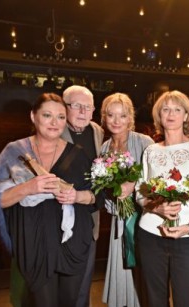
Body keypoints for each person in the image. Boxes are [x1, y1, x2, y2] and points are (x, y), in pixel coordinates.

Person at [0, 93, 99, 306]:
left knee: (70, 302)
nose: (55, 123)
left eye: (61, 117)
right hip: (34, 241)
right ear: (33, 116)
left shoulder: (79, 154)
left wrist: (76, 196)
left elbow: (95, 197)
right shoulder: (14, 152)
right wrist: (28, 188)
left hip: (72, 241)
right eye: (47, 115)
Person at [136, 90, 189, 307]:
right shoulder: (151, 151)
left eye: (177, 109)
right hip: (150, 235)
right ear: (159, 116)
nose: (171, 114)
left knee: (186, 300)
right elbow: (140, 192)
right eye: (165, 109)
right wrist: (157, 210)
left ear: (186, 116)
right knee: (154, 300)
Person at [99, 93, 154, 307]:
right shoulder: (104, 148)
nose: (116, 121)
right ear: (104, 117)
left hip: (142, 220)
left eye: (122, 116)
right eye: (111, 115)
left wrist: (133, 185)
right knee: (121, 268)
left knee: (140, 271)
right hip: (117, 217)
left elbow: (157, 178)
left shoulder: (144, 142)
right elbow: (102, 185)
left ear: (130, 117)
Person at [61, 85, 105, 307]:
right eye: (76, 106)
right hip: (58, 216)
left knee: (83, 282)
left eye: (88, 107)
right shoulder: (54, 129)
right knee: (59, 284)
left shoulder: (97, 131)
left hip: (89, 216)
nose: (82, 112)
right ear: (65, 107)